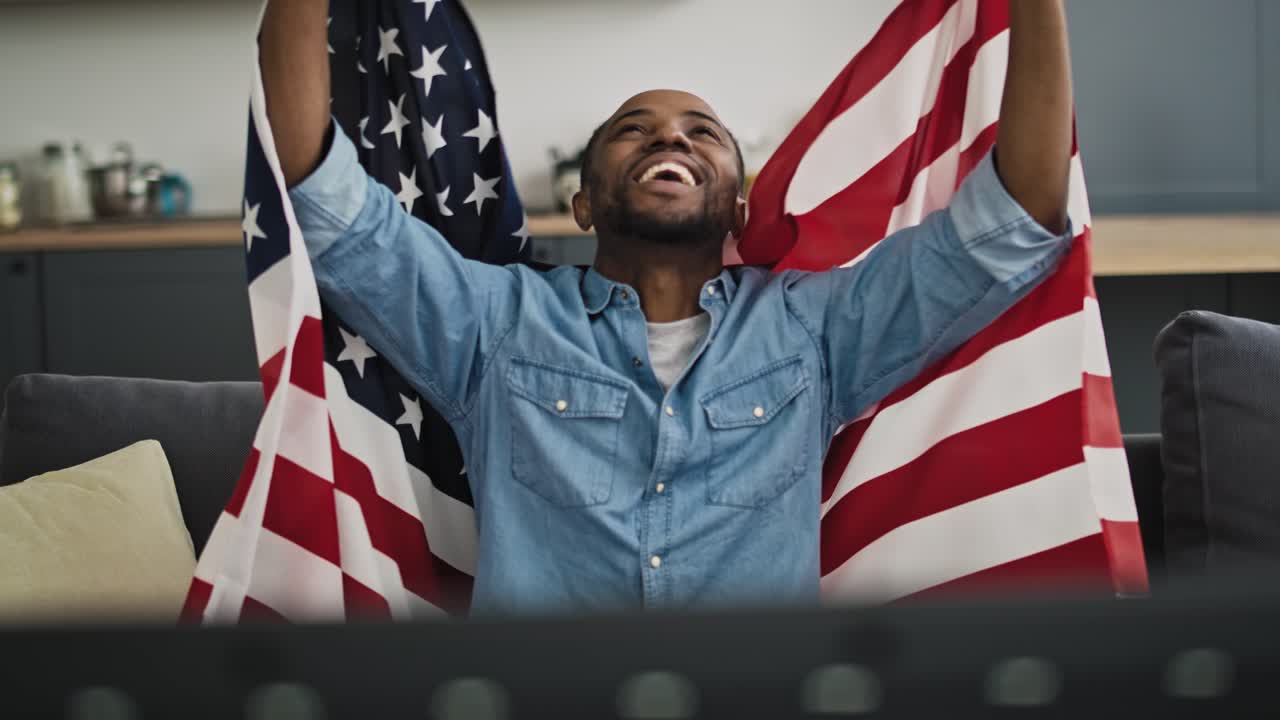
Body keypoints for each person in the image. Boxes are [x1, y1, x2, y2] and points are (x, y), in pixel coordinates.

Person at [260, 0, 1077, 614]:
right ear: (583, 205)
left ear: (738, 209)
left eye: (702, 132)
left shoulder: (817, 330)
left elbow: (1011, 226)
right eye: (634, 129)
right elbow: (324, 202)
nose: (670, 138)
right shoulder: (497, 321)